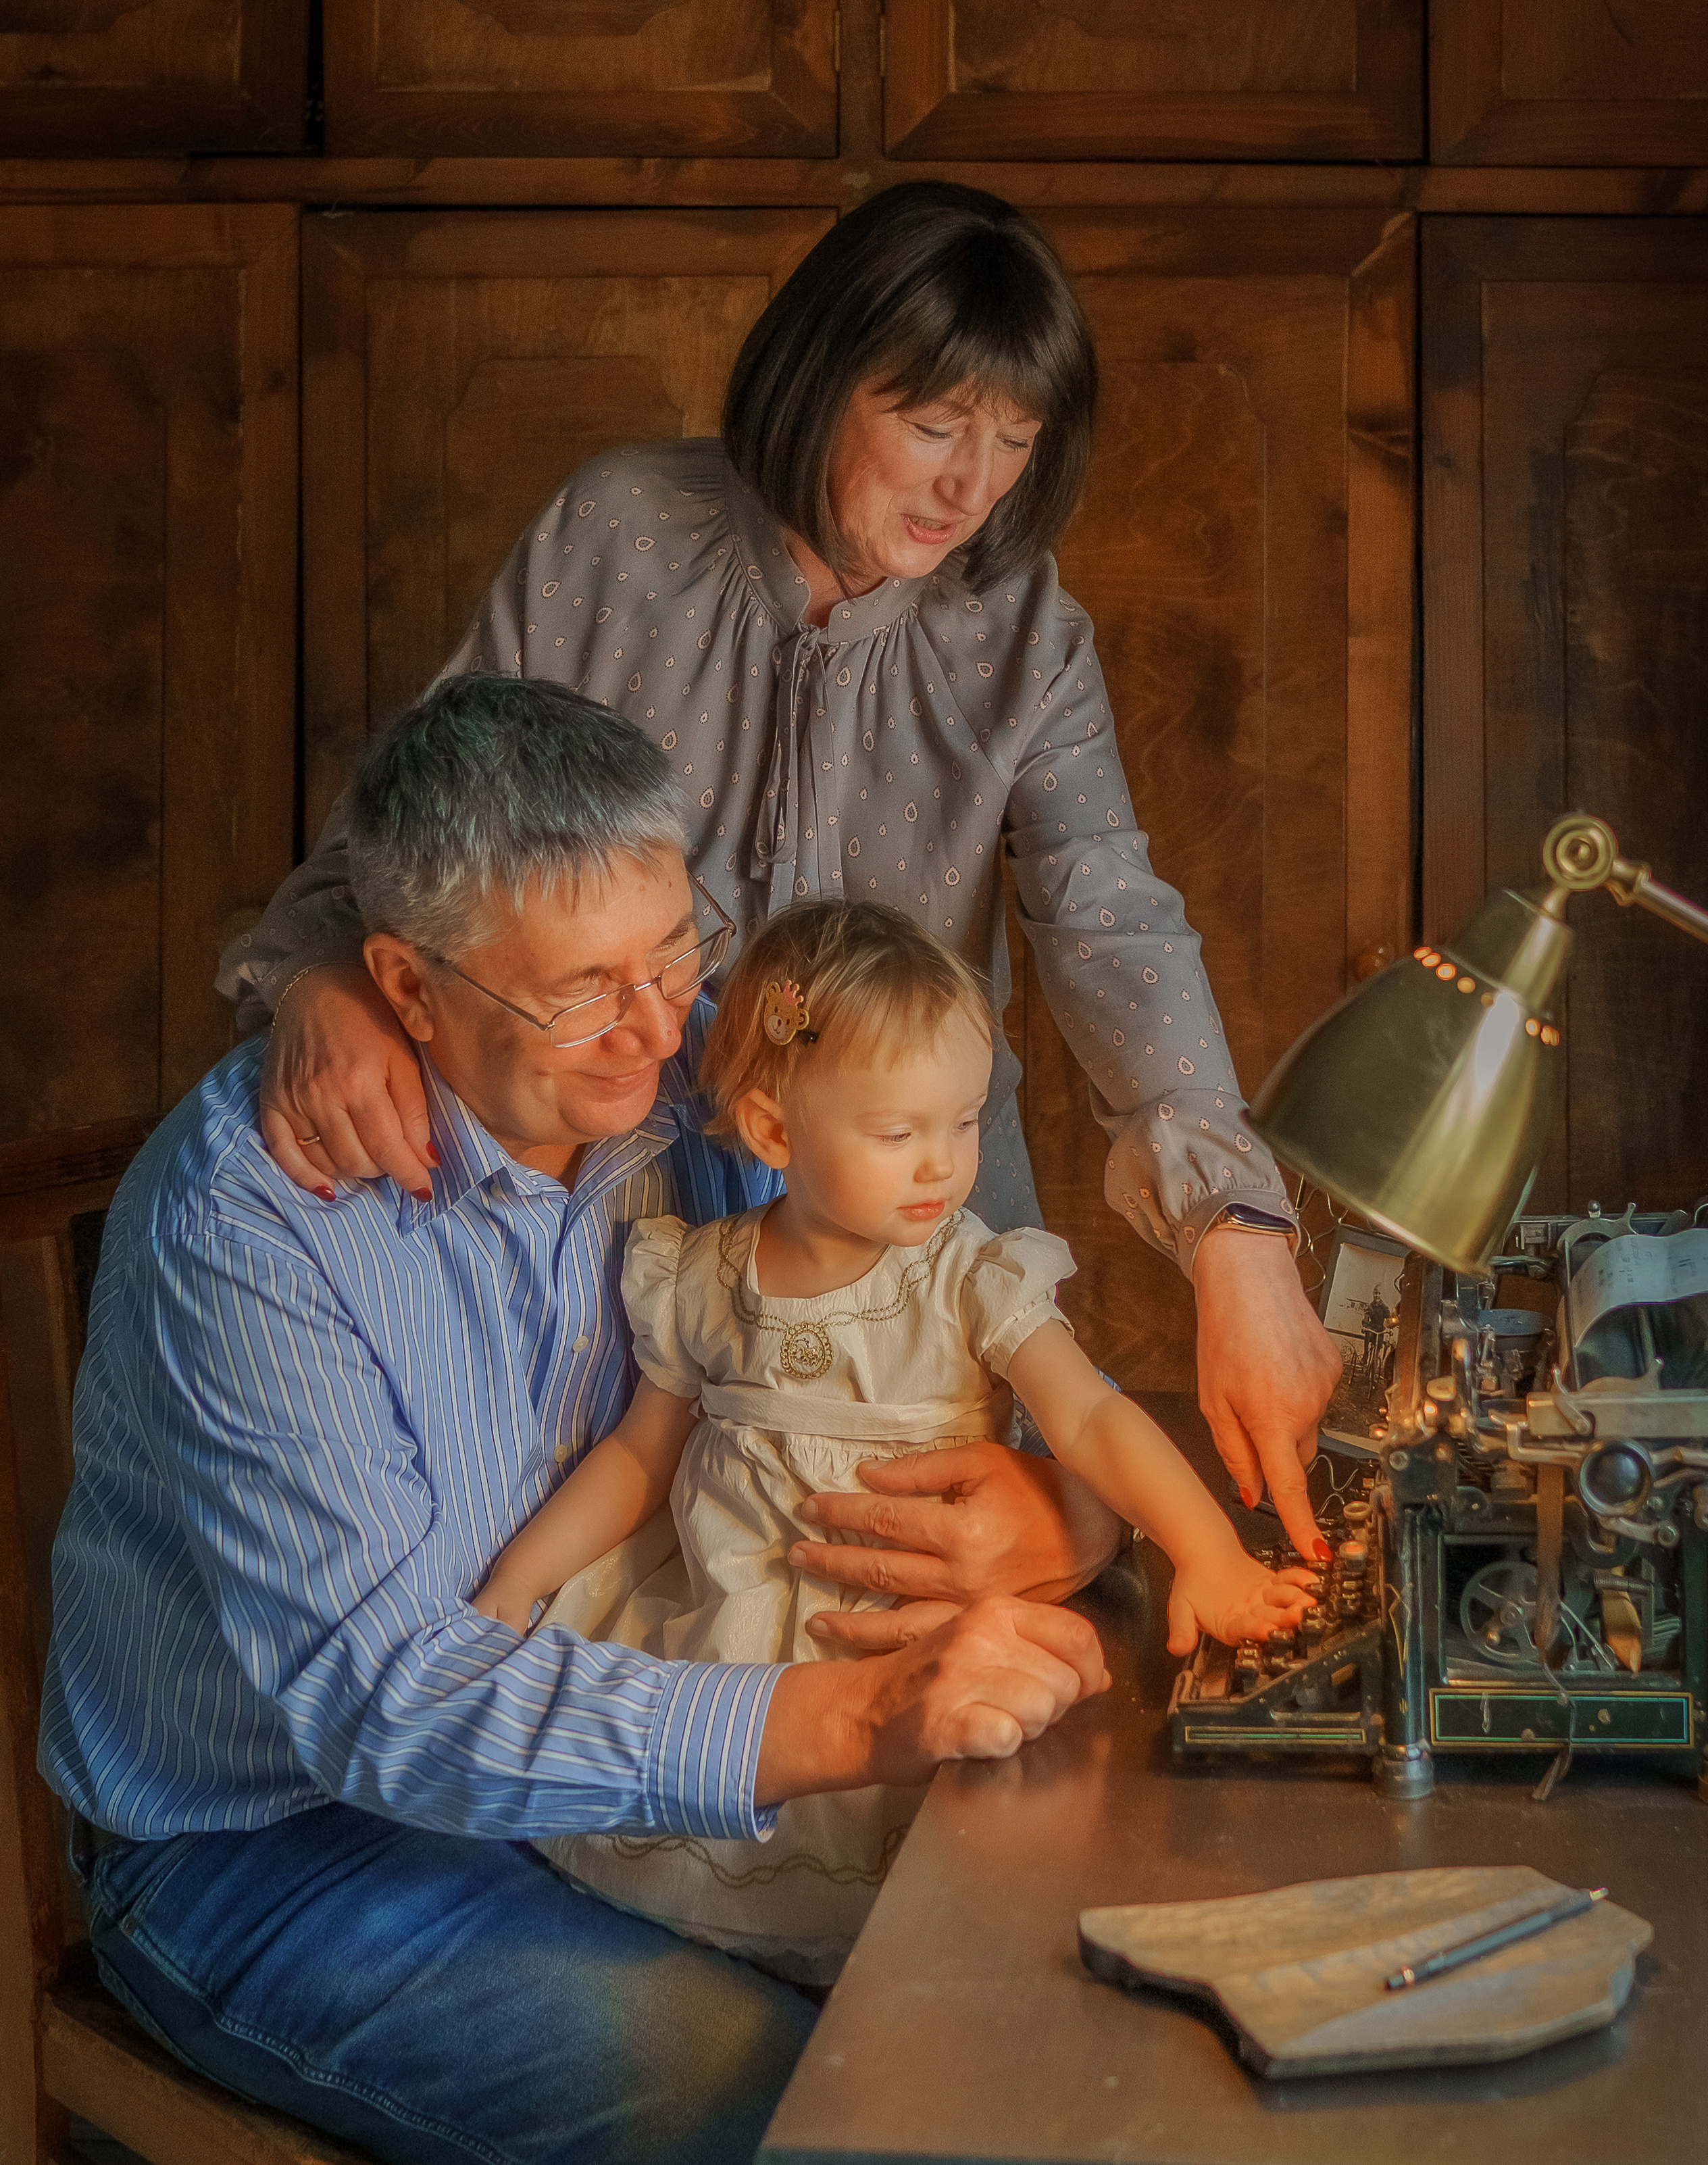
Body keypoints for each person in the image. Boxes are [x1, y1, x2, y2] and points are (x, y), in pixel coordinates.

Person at [41, 677, 1109, 2165]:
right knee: (810, 2113)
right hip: (281, 1844)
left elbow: (952, 1318)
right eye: (579, 990)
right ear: (408, 991)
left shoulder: (716, 1071)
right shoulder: (250, 1221)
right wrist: (852, 1718)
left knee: (1033, 2010)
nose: (657, 1027)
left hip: (634, 1713)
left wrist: (1064, 1506)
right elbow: (383, 1702)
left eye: (676, 950)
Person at [223, 180, 1342, 1566]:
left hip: (910, 1273)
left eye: (1011, 439)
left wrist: (1234, 1233)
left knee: (1007, 1577)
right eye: (931, 425)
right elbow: (428, 825)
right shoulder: (616, 531)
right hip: (627, 1266)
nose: (968, 485)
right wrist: (321, 979)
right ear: (819, 374)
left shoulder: (1027, 634)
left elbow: (1111, 922)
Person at [471, 899, 1317, 1985]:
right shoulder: (704, 1277)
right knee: (705, 1934)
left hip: (916, 1662)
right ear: (776, 1132)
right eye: (899, 1133)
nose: (943, 1167)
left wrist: (1211, 1554)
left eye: (963, 1123)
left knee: (932, 1931)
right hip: (742, 1663)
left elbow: (1093, 1420)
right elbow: (638, 1459)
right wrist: (515, 1584)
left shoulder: (968, 1275)